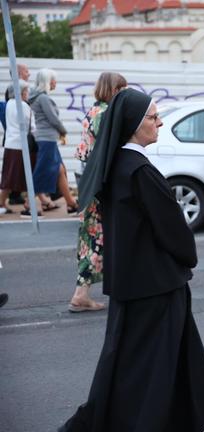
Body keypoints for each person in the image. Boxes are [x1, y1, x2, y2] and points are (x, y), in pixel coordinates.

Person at [58, 89, 204, 432]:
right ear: (134, 125)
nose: (160, 123)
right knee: (148, 366)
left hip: (132, 279)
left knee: (164, 357)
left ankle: (184, 428)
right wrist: (187, 258)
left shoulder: (117, 165)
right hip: (156, 283)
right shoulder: (139, 170)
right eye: (153, 117)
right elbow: (172, 229)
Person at [67, 72, 128, 313]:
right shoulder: (105, 114)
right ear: (112, 90)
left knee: (91, 238)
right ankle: (81, 295)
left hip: (90, 181)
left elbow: (85, 152)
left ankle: (83, 293)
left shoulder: (93, 111)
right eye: (121, 88)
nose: (124, 92)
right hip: (99, 184)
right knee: (96, 239)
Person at [30, 68, 78, 216]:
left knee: (60, 170)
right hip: (47, 139)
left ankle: (71, 204)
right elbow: (53, 119)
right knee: (41, 172)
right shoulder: (43, 98)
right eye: (53, 80)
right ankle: (28, 206)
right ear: (47, 81)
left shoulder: (35, 97)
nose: (55, 82)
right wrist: (63, 131)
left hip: (46, 138)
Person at [0, 81, 38, 215]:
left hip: (10, 144)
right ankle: (29, 205)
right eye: (26, 91)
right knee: (29, 176)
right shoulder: (23, 105)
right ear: (21, 92)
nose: (28, 94)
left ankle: (1, 203)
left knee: (9, 177)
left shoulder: (9, 104)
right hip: (23, 146)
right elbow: (32, 127)